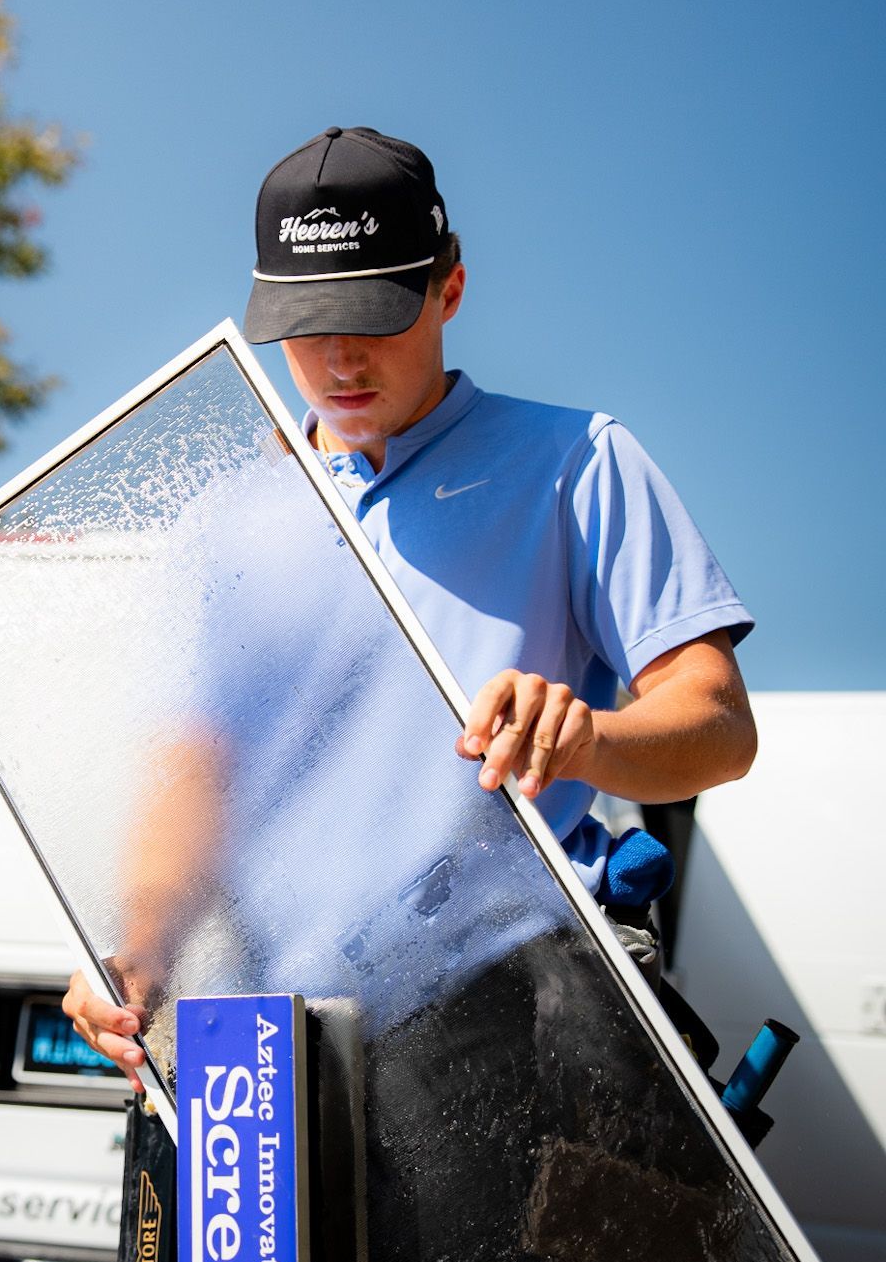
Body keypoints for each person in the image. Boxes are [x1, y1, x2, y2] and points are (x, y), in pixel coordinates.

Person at [63, 123, 756, 1080]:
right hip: (254, 1031)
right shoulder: (232, 522)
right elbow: (196, 765)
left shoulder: (577, 463)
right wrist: (137, 947)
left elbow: (718, 727)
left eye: (375, 315)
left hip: (495, 1016)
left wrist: (584, 738)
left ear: (450, 288)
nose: (341, 359)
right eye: (307, 326)